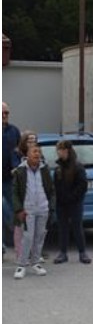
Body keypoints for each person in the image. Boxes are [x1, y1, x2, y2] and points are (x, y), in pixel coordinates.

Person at [13, 143, 53, 279]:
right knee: (27, 237)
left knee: (39, 236)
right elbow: (15, 192)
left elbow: (51, 190)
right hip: (27, 209)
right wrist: (19, 209)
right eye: (34, 151)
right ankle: (21, 265)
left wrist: (50, 206)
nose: (37, 154)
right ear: (27, 155)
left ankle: (35, 262)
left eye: (39, 152)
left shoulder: (44, 169)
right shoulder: (20, 171)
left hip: (43, 208)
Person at [52, 140, 91, 264]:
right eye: (58, 150)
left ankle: (82, 252)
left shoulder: (78, 166)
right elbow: (56, 186)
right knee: (62, 228)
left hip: (75, 203)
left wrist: (72, 197)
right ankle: (63, 253)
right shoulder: (58, 167)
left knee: (77, 227)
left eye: (60, 149)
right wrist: (58, 199)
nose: (58, 152)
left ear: (67, 150)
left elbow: (82, 185)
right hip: (61, 203)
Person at [2, 102, 21, 249]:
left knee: (11, 210)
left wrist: (17, 167)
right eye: (2, 113)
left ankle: (18, 241)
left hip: (9, 179)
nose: (4, 115)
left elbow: (18, 152)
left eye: (6, 113)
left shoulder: (14, 131)